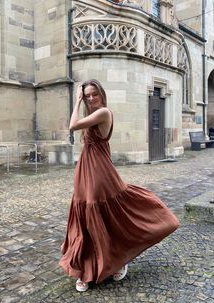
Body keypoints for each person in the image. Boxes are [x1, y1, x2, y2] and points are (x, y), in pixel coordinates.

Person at [59, 79, 179, 292]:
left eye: (94, 94)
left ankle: (119, 259)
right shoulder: (91, 117)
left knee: (98, 211)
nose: (91, 98)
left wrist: (77, 101)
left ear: (101, 94)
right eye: (87, 95)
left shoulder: (104, 112)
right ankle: (86, 268)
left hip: (100, 171)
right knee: (85, 215)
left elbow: (72, 126)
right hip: (85, 169)